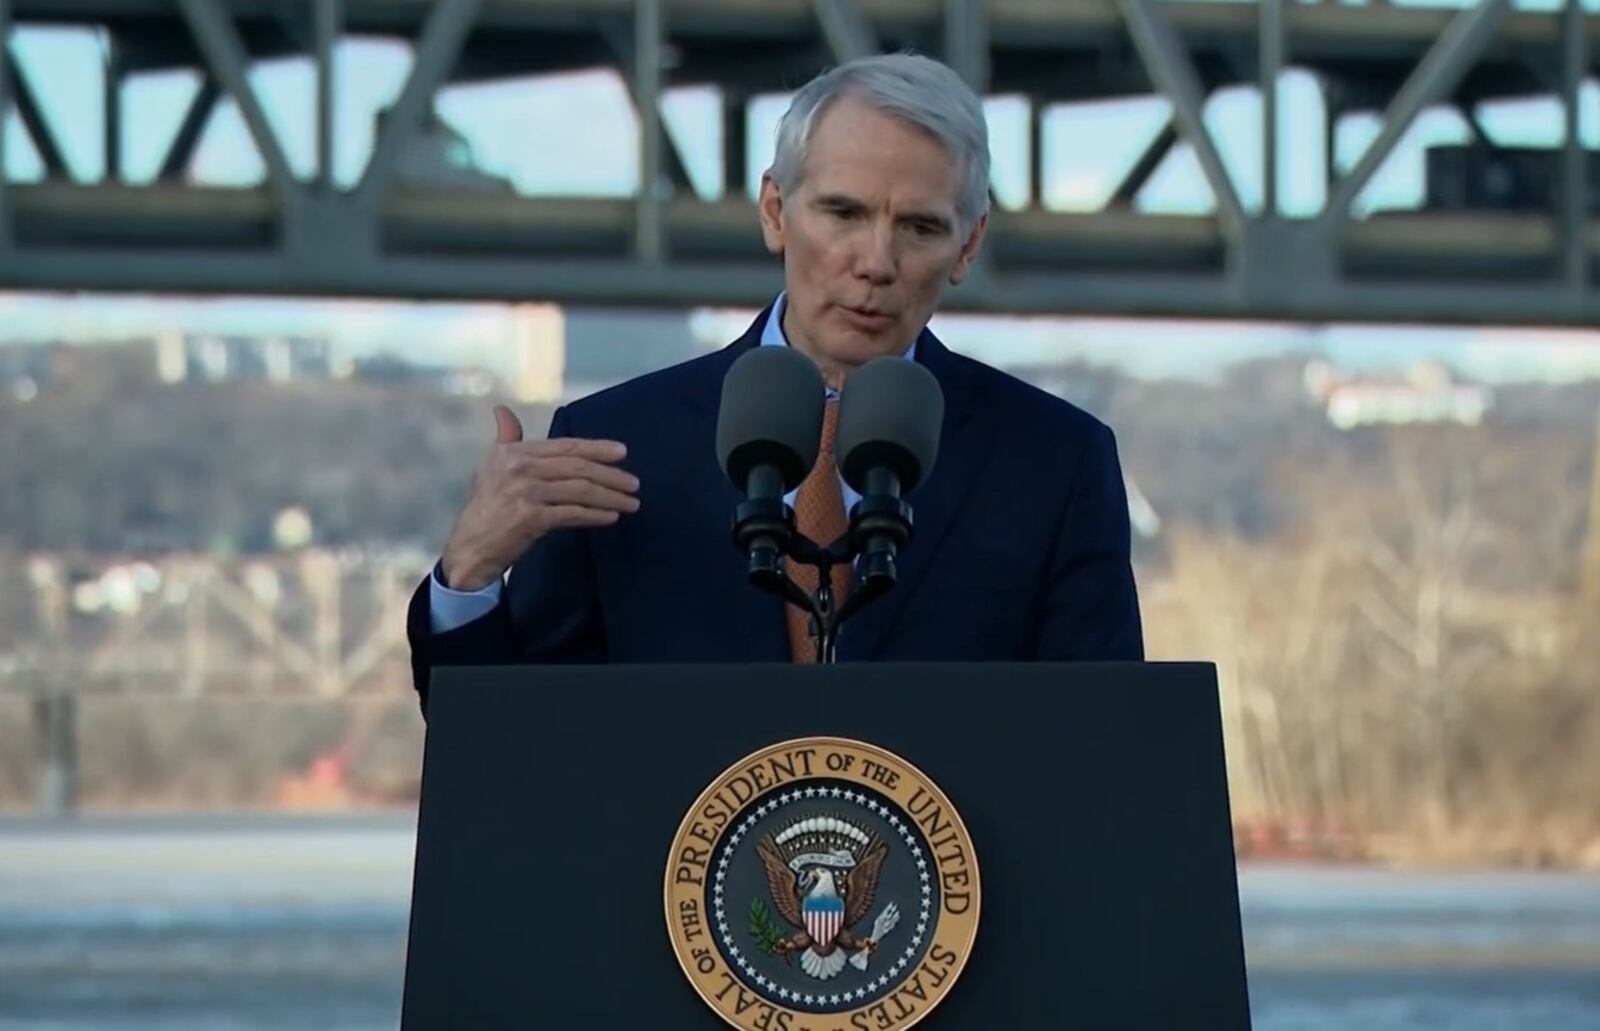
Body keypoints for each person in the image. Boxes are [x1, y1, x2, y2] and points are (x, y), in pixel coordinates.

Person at [406, 52, 1143, 713]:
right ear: (774, 211)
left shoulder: (1055, 464)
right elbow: (521, 749)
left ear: (969, 244)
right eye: (843, 212)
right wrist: (468, 577)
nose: (876, 262)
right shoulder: (615, 449)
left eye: (919, 228)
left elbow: (1103, 747)